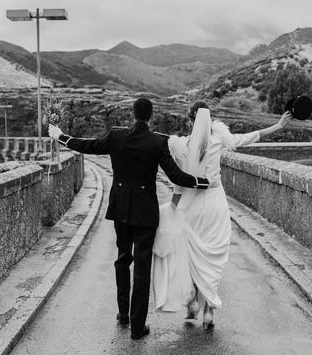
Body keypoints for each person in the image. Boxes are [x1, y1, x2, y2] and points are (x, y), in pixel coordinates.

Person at [48, 97, 210, 341]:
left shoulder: (116, 136)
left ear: (132, 115)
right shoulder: (158, 142)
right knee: (142, 270)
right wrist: (202, 182)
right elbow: (176, 176)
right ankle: (137, 327)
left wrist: (60, 136)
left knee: (122, 260)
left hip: (121, 209)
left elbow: (87, 146)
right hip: (145, 214)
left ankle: (123, 313)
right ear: (150, 116)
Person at [152, 101, 292, 330]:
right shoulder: (219, 140)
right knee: (214, 257)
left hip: (190, 206)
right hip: (215, 205)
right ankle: (208, 311)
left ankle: (193, 304)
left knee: (194, 257)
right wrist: (277, 126)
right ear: (209, 120)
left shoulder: (181, 145)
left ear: (190, 121)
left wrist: (173, 209)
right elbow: (250, 136)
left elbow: (178, 184)